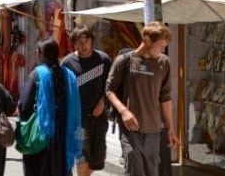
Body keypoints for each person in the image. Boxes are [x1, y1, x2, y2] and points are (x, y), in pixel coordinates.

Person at [106, 22, 178, 176]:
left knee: (151, 172)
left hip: (153, 130)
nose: (162, 50)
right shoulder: (124, 61)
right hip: (129, 130)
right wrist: (123, 111)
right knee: (134, 172)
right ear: (147, 40)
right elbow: (109, 90)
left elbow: (165, 96)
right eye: (160, 46)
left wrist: (170, 128)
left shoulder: (163, 62)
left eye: (164, 46)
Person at [19, 38, 81, 176]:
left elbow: (23, 105)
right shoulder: (69, 75)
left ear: (41, 53)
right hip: (64, 132)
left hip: (42, 132)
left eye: (36, 51)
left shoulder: (37, 74)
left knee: (39, 169)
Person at [62, 26, 113, 176]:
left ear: (92, 41)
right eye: (79, 41)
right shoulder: (67, 63)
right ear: (74, 44)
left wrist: (102, 102)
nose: (84, 45)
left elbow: (111, 86)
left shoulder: (103, 59)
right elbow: (62, 91)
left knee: (97, 160)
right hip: (78, 119)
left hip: (98, 117)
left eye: (87, 40)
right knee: (82, 155)